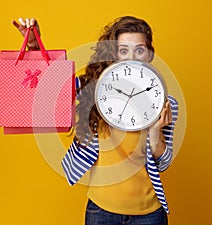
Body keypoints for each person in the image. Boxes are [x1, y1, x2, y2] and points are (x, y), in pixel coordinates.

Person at [13, 16, 178, 225]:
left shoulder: (164, 101)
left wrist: (155, 131)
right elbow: (46, 83)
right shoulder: (92, 90)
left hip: (149, 214)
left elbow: (163, 163)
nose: (132, 57)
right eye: (124, 50)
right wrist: (34, 45)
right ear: (114, 54)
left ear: (149, 54)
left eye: (139, 50)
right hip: (101, 211)